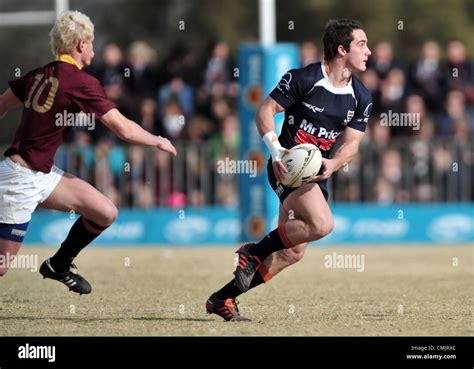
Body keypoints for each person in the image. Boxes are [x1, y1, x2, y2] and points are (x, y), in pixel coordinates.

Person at [206, 19, 373, 321]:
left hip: (316, 173)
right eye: (361, 44)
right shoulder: (304, 78)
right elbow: (265, 111)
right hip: (287, 167)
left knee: (292, 252)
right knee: (322, 225)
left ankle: (223, 297)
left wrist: (334, 163)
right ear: (341, 49)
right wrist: (276, 150)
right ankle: (253, 252)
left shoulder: (361, 96)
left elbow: (352, 144)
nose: (368, 51)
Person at [0, 11, 176, 294]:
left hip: (41, 174)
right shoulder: (80, 82)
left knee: (105, 212)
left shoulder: (37, 75)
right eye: (92, 42)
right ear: (81, 44)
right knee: (2, 266)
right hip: (20, 180)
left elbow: (2, 105)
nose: (94, 48)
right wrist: (157, 140)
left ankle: (59, 264)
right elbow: (124, 130)